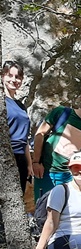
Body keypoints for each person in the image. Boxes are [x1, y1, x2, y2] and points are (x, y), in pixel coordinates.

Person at [31, 89, 81, 200]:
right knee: (42, 210)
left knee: (66, 214)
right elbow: (40, 134)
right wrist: (36, 162)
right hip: (45, 172)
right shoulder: (62, 113)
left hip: (70, 177)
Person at [3, 60, 32, 192]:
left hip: (21, 159)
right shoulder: (2, 102)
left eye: (18, 77)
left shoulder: (21, 106)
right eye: (10, 75)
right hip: (6, 156)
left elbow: (24, 138)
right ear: (2, 76)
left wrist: (29, 164)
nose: (14, 80)